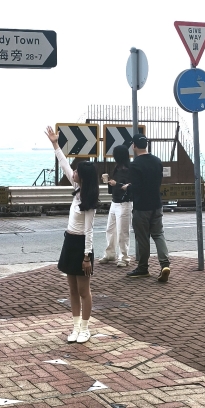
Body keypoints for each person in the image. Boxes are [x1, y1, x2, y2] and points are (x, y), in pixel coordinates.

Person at [46, 125, 99, 343]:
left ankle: (85, 328)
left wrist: (87, 257)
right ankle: (75, 327)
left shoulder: (89, 201)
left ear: (83, 177)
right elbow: (64, 164)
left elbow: (89, 230)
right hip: (69, 242)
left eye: (77, 172)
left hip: (82, 246)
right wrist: (55, 144)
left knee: (84, 290)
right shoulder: (77, 189)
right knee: (72, 290)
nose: (73, 173)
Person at [124, 133, 170, 282]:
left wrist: (127, 187)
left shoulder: (135, 164)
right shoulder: (157, 161)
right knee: (158, 234)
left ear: (134, 146)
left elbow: (137, 187)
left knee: (143, 238)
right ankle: (165, 264)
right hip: (156, 203)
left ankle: (143, 268)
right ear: (146, 145)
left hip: (142, 206)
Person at [99, 144, 132, 267]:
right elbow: (117, 186)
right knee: (110, 229)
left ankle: (124, 257)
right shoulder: (117, 168)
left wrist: (116, 184)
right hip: (115, 201)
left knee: (123, 232)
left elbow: (128, 186)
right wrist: (109, 182)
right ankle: (110, 254)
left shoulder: (130, 169)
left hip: (125, 203)